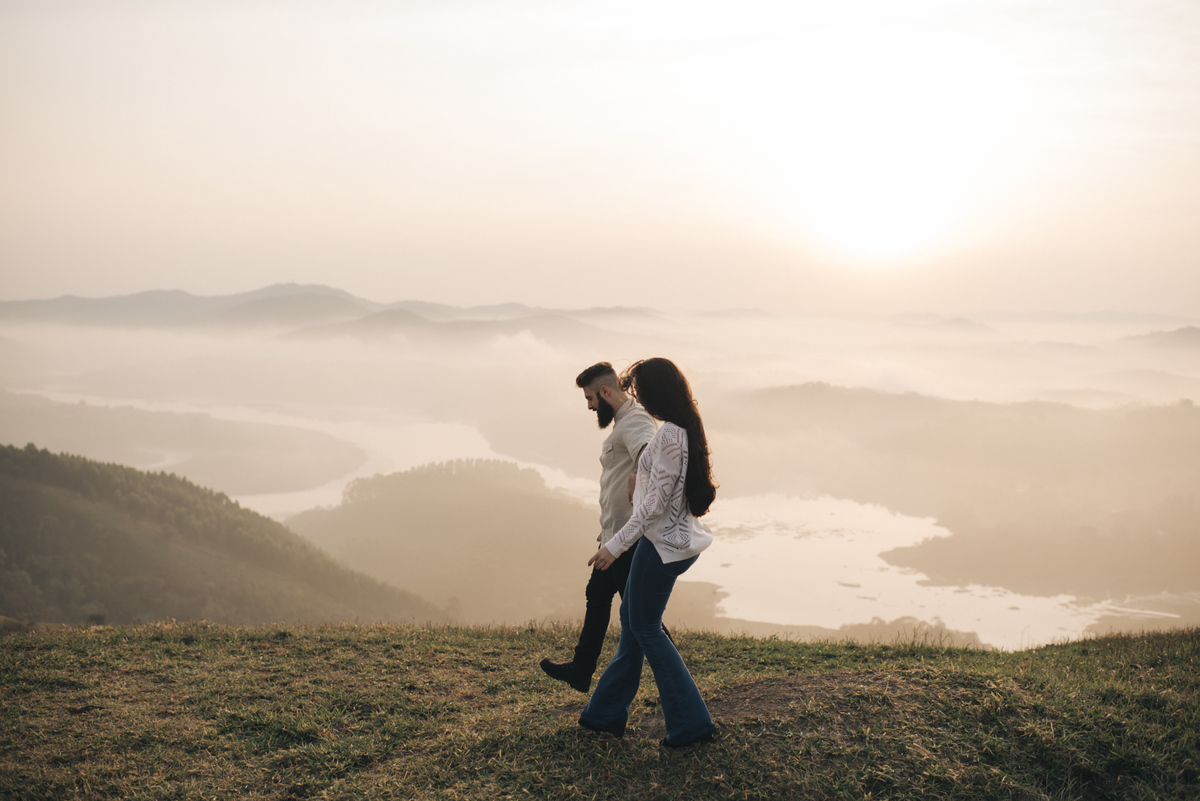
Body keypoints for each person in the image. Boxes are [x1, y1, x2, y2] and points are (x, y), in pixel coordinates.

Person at [579, 357, 717, 748]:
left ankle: (691, 726)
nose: (635, 397)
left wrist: (614, 545)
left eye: (640, 390)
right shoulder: (679, 429)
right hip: (662, 541)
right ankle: (603, 714)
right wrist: (639, 475)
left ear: (657, 392)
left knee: (646, 630)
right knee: (634, 621)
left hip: (661, 546)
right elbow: (658, 488)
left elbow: (653, 507)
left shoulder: (671, 433)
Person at [540, 362, 658, 693]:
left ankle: (676, 682)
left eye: (591, 398)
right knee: (599, 594)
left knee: (642, 619)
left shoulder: (634, 421)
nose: (591, 406)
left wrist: (639, 474)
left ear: (606, 392)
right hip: (614, 534)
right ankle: (581, 669)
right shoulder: (624, 422)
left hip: (627, 538)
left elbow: (649, 449)